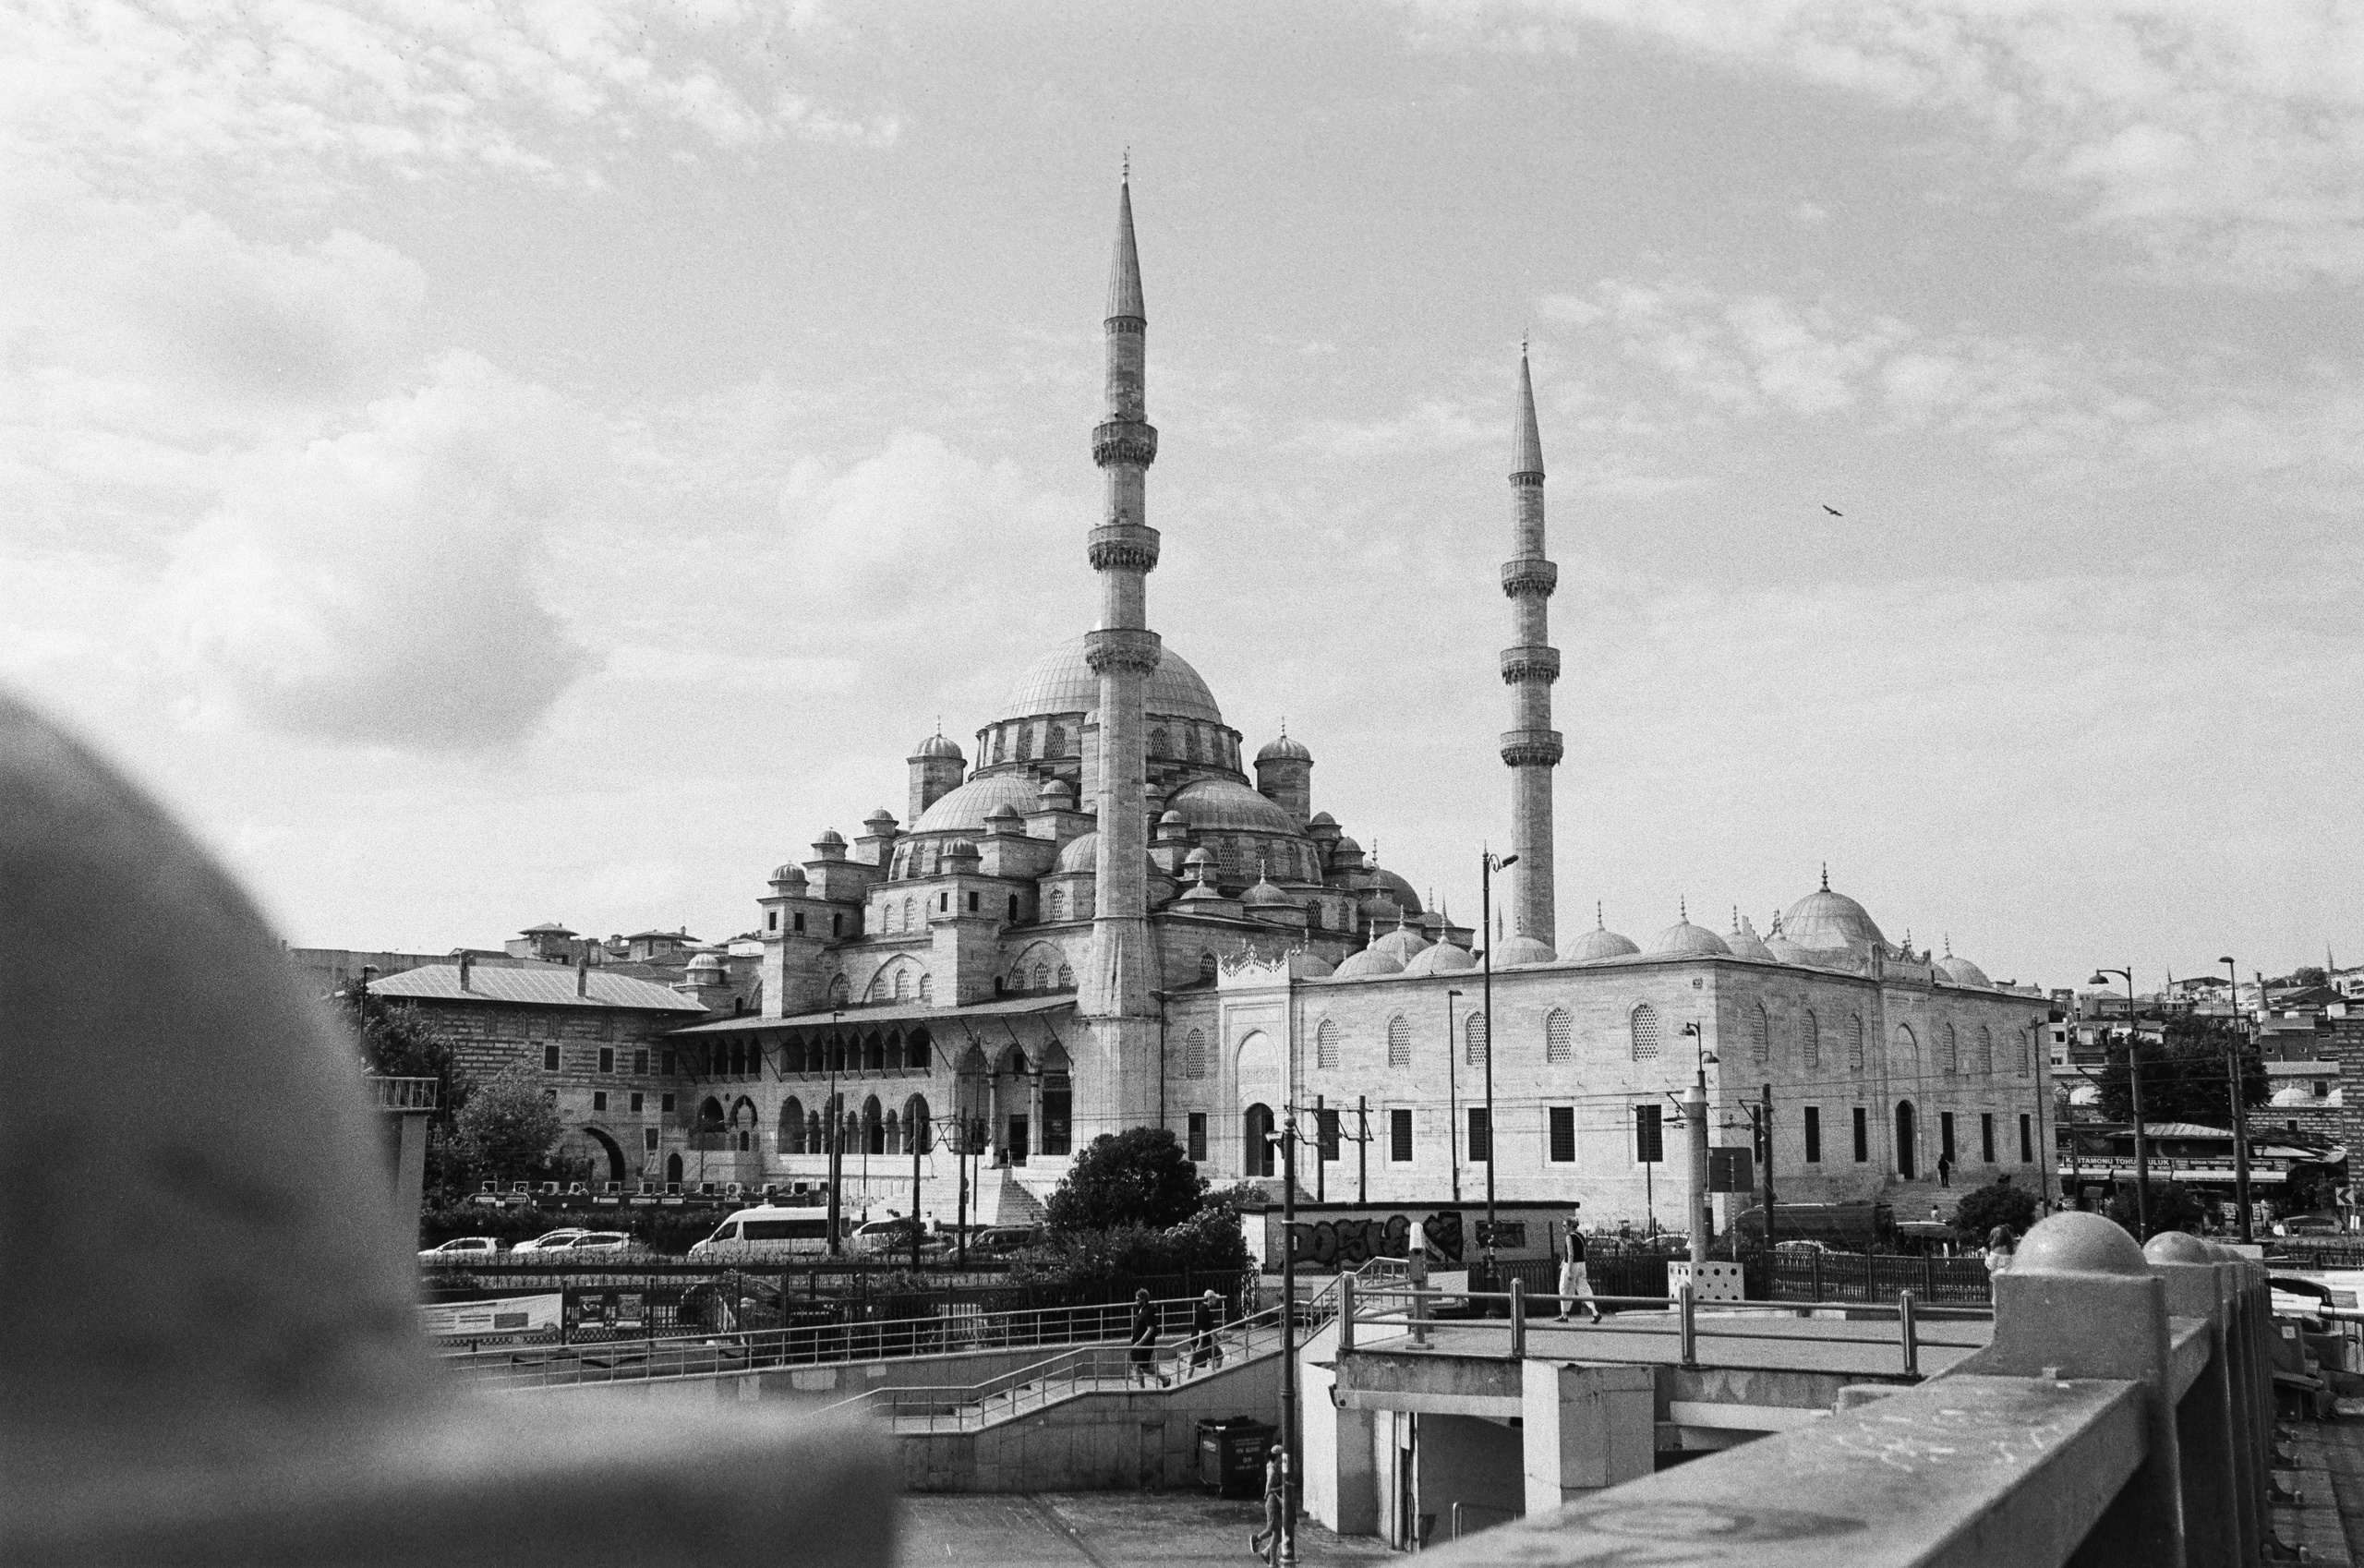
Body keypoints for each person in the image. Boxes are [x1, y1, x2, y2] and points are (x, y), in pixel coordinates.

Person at [1553, 1210, 1603, 1323]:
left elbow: (1570, 1254)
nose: (1563, 1228)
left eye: (1565, 1225)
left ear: (1570, 1226)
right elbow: (1583, 1253)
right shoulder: (1580, 1236)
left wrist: (1569, 1270)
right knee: (1584, 1288)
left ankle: (1564, 1315)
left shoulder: (1569, 1237)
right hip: (1581, 1265)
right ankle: (1595, 1312)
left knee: (1565, 1289)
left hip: (1571, 1266)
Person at [1248, 1441, 1288, 1564]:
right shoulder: (1272, 1468)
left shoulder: (1273, 1467)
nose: (1282, 1460)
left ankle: (1268, 1556)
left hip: (1274, 1499)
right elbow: (1269, 1486)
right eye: (1281, 1457)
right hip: (1272, 1500)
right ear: (1278, 1456)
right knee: (1274, 1530)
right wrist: (1273, 1490)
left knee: (1278, 1532)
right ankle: (1257, 1539)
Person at [1128, 1287, 1167, 1389]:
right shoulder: (1142, 1311)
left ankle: (1165, 1379)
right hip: (1137, 1344)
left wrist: (1141, 1342)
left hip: (1144, 1344)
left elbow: (1150, 1329)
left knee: (1144, 1368)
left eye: (1138, 1300)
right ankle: (1141, 1389)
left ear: (1144, 1299)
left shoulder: (1148, 1312)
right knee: (1136, 1366)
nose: (1136, 1302)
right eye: (1136, 1299)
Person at [1188, 1287, 1225, 1377]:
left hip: (1196, 1340)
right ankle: (1215, 1376)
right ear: (1210, 1298)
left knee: (1192, 1363)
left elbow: (1209, 1326)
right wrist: (1200, 1344)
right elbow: (1202, 1328)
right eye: (1214, 1298)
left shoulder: (1203, 1308)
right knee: (1219, 1356)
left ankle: (1187, 1379)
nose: (1216, 1300)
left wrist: (1217, 1336)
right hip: (1203, 1341)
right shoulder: (1204, 1310)